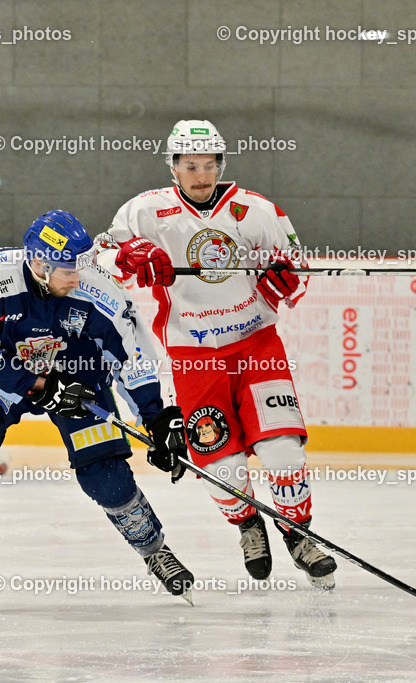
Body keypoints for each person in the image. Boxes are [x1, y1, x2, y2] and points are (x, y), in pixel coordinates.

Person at [96, 120, 337, 589]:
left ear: (221, 165)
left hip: (257, 345)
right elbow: (100, 265)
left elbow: (300, 270)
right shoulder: (144, 212)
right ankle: (249, 524)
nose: (201, 175)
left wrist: (287, 281)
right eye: (190, 166)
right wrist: (129, 258)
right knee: (221, 468)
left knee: (283, 453)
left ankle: (297, 533)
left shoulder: (256, 211)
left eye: (209, 165)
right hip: (194, 354)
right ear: (174, 167)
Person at [0, 210, 195, 610]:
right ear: (39, 264)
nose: (77, 277)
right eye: (68, 268)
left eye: (81, 265)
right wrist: (38, 385)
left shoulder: (100, 292)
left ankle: (155, 551)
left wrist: (157, 419)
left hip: (81, 379)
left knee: (106, 477)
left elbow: (132, 359)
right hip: (6, 377)